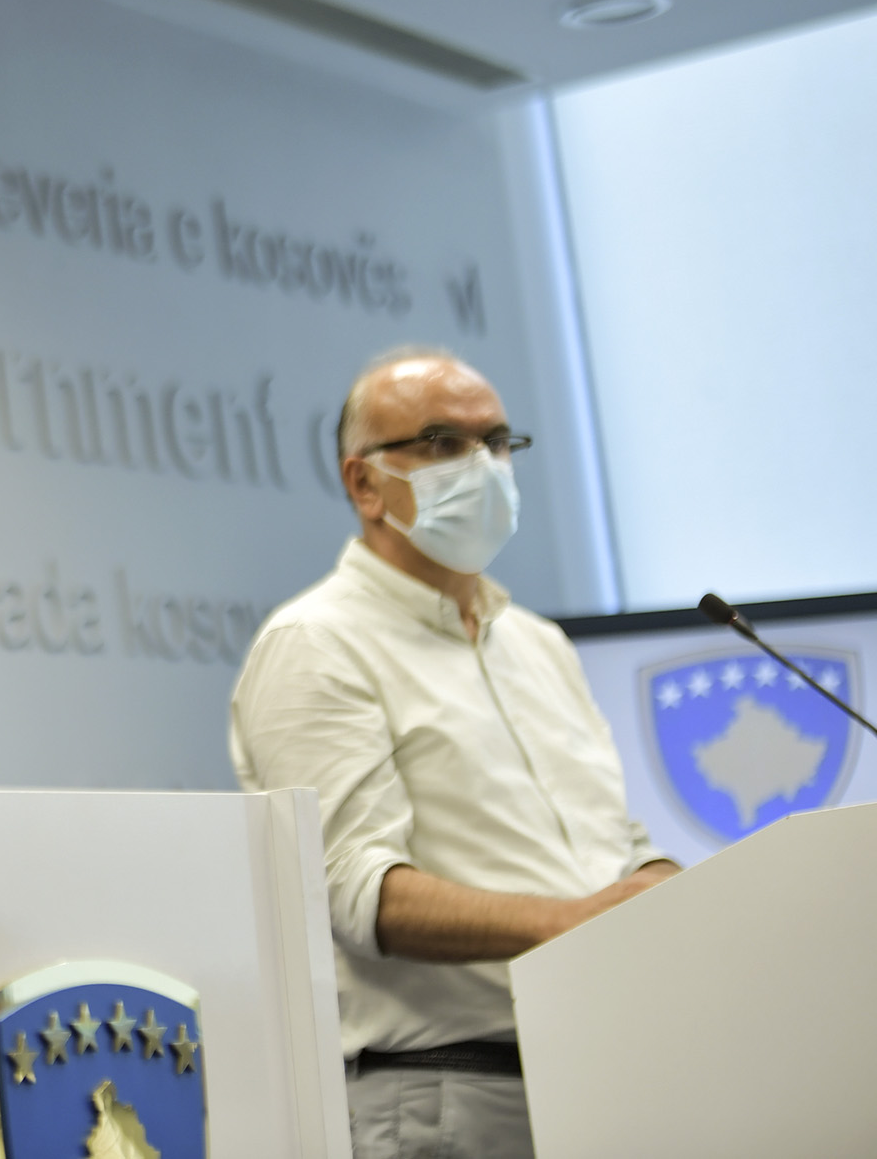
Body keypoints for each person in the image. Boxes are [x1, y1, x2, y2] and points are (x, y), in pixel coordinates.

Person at [230, 347, 676, 1159]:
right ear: (364, 483)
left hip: (610, 1072)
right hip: (450, 1094)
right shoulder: (316, 643)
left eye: (497, 441)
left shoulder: (539, 644)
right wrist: (574, 923)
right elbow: (358, 892)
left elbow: (614, 845)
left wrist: (666, 886)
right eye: (443, 442)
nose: (482, 465)